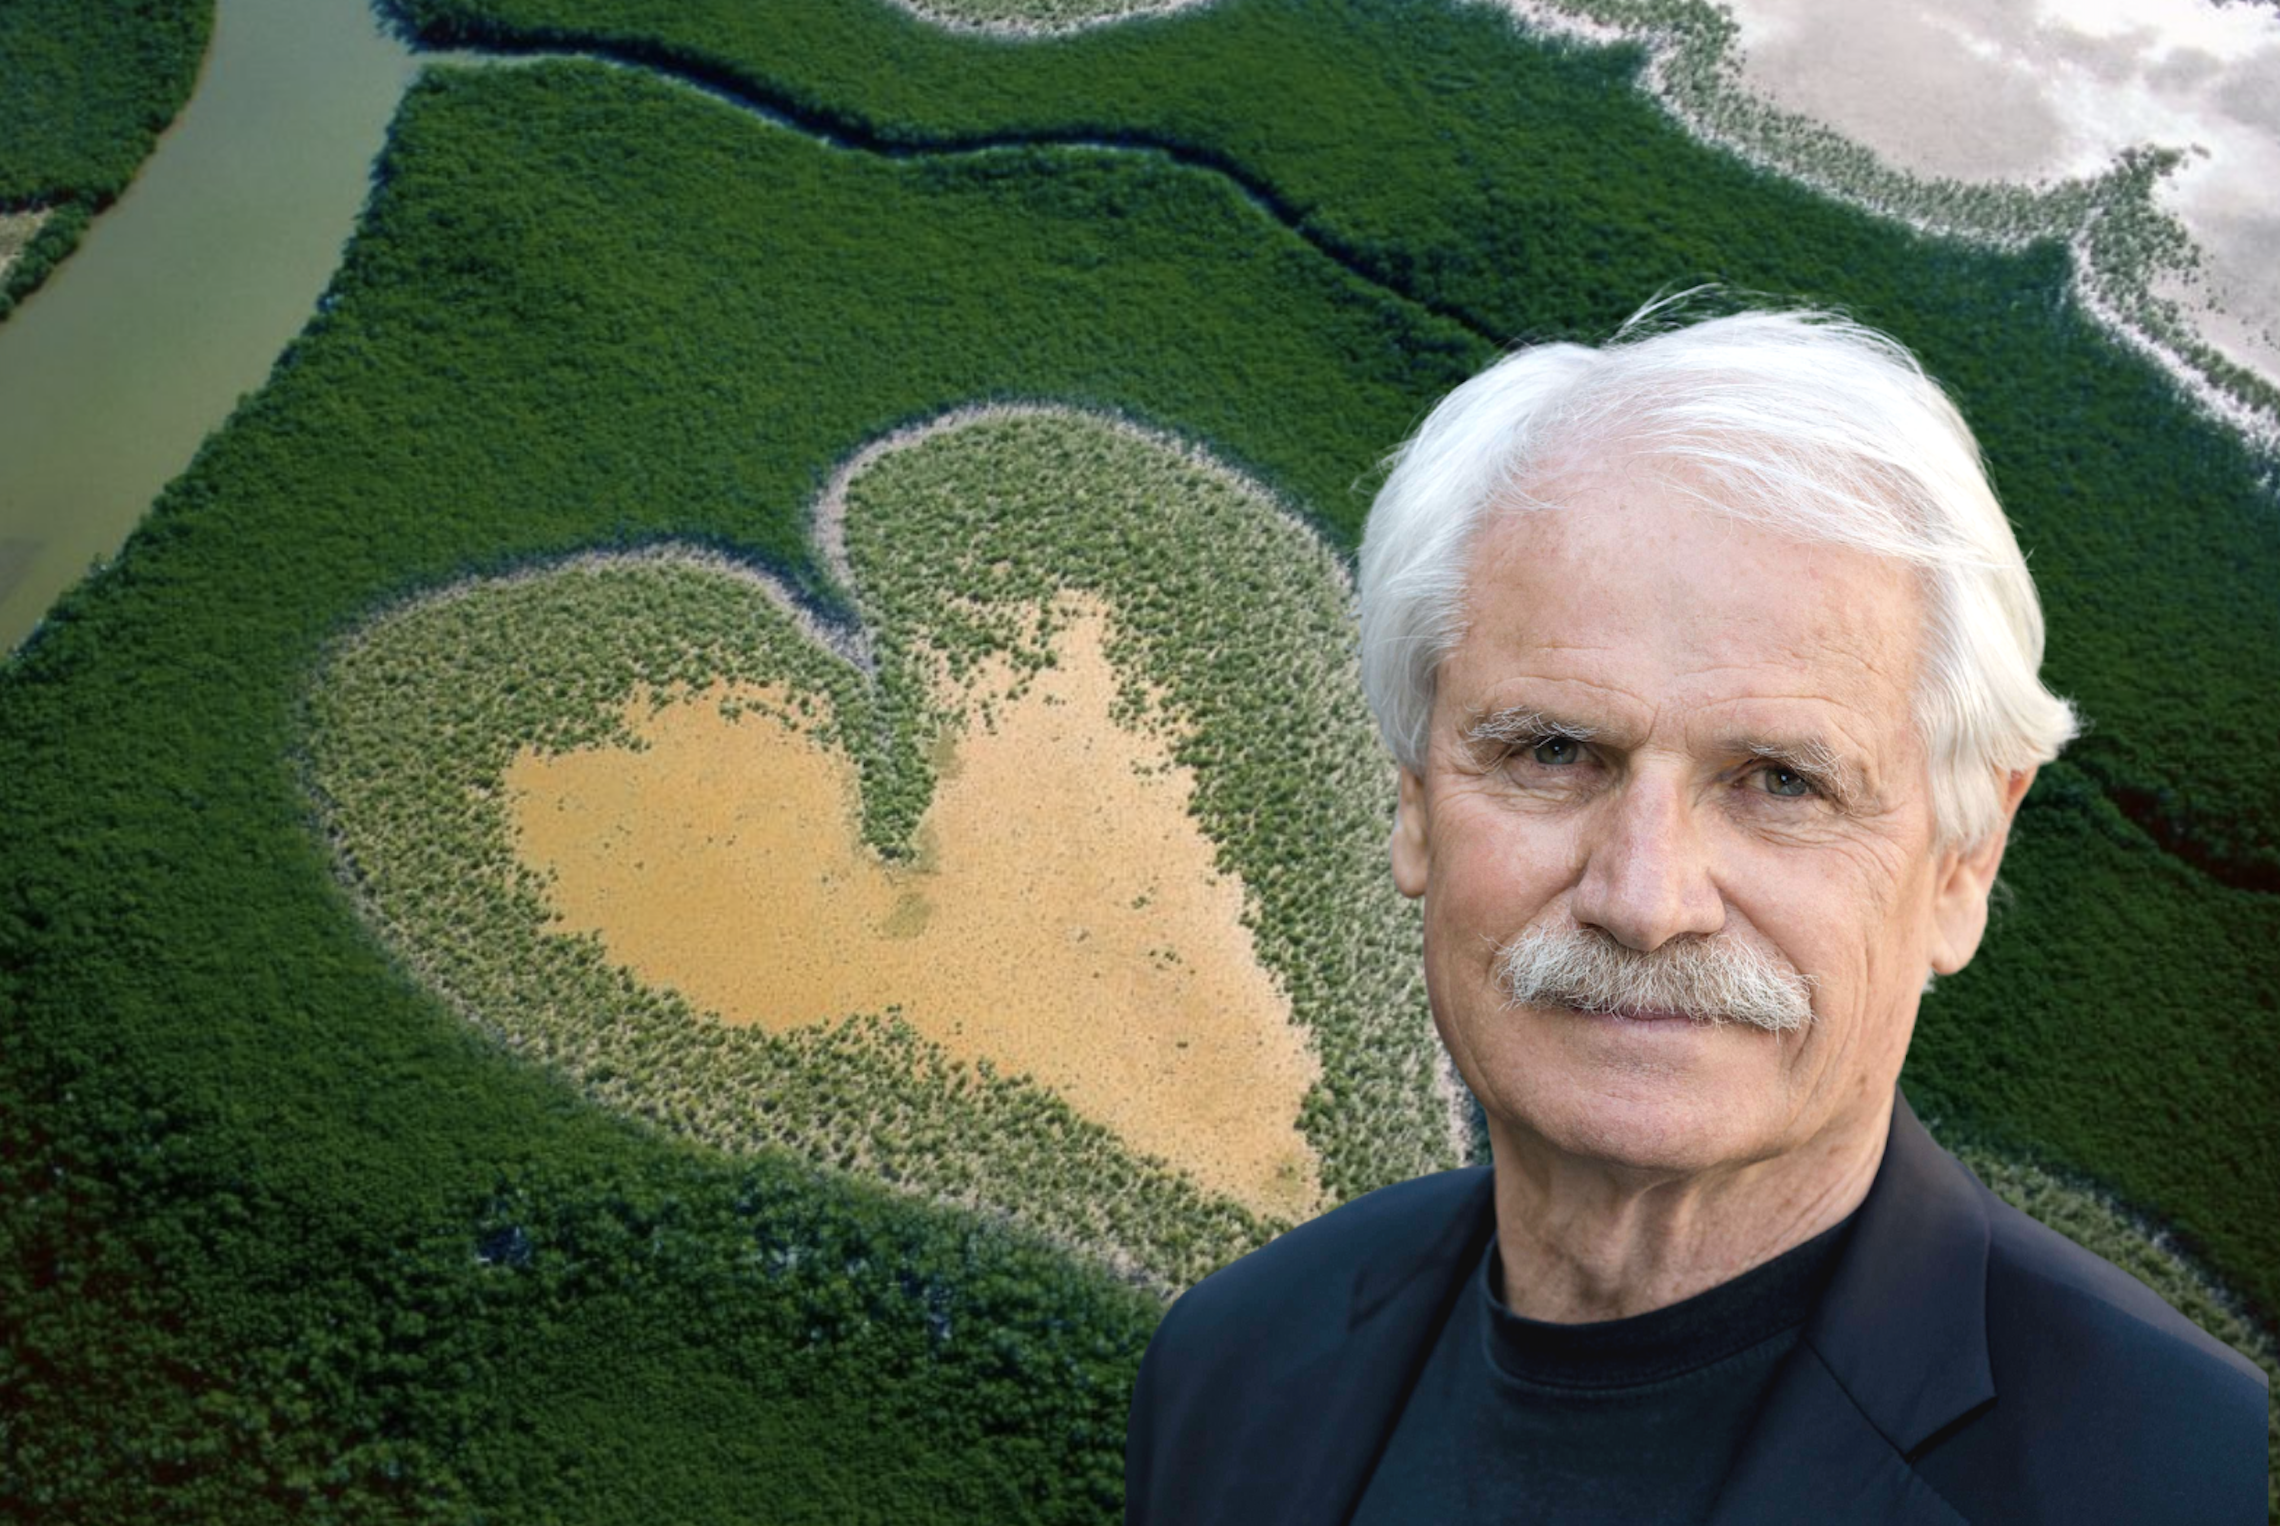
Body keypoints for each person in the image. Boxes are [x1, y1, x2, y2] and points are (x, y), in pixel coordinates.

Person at [1121, 300, 2268, 1524]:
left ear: (1962, 860)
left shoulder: (2167, 1470)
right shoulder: (1231, 1363)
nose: (1644, 897)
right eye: (1555, 751)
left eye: (1782, 780)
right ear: (1414, 804)